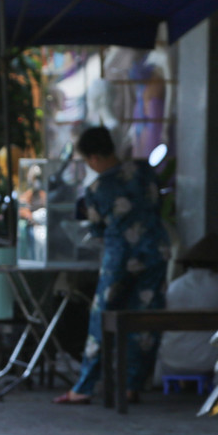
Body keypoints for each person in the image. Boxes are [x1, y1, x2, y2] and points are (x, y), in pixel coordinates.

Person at [54, 125, 170, 405]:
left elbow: (96, 230)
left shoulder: (97, 188)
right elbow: (157, 206)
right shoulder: (144, 173)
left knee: (102, 319)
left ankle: (84, 387)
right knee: (145, 319)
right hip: (155, 252)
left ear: (93, 157)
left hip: (119, 258)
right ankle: (131, 385)